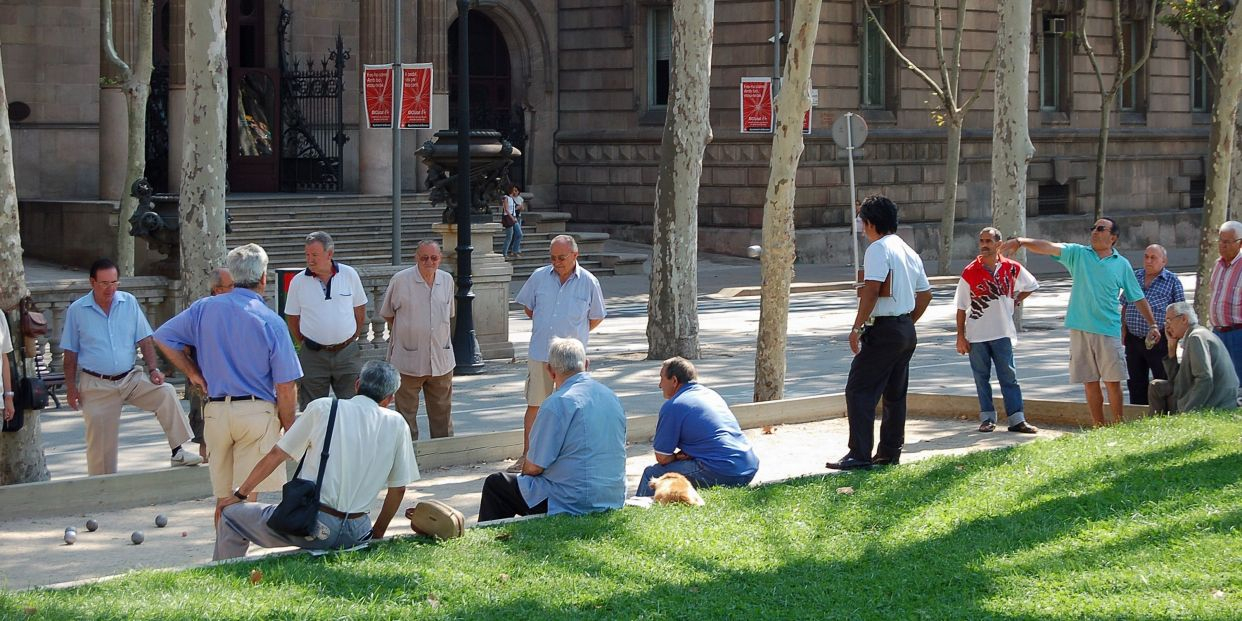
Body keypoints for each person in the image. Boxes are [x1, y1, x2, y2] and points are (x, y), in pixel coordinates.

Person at [154, 243, 302, 523]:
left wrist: (192, 372)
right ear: (263, 278)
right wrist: (289, 424)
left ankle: (222, 555)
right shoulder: (270, 321)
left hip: (217, 411)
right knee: (245, 497)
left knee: (224, 497)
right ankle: (235, 561)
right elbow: (285, 386)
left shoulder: (204, 308)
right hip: (256, 412)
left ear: (233, 276)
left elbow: (162, 336)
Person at [213, 360, 420, 560]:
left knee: (231, 515)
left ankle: (224, 573)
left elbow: (277, 454)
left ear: (357, 384)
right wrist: (376, 535)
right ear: (389, 398)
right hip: (358, 531)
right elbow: (398, 489)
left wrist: (241, 494)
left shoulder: (324, 408)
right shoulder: (397, 423)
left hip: (312, 525)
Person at [999, 218, 1161, 426]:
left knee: (1113, 382)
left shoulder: (1121, 264)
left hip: (1108, 330)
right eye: (1093, 228)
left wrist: (1153, 324)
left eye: (1100, 228)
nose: (1094, 231)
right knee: (1090, 382)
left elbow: (1137, 297)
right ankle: (1099, 426)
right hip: (1080, 329)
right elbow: (1049, 247)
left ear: (1113, 238)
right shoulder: (1078, 254)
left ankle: (1119, 426)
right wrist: (1021, 241)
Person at [61, 258, 200, 475]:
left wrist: (153, 369)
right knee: (100, 452)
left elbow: (145, 339)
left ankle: (178, 451)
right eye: (105, 283)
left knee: (165, 392)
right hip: (96, 384)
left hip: (130, 378)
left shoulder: (129, 302)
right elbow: (70, 354)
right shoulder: (77, 310)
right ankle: (101, 486)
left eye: (114, 282)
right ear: (92, 282)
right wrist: (71, 388)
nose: (111, 288)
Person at [827, 196, 932, 470]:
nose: (861, 226)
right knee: (895, 395)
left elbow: (872, 289)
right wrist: (906, 322)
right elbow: (926, 294)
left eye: (862, 220)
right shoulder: (908, 250)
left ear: (871, 222)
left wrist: (857, 327)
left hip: (884, 329)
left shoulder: (877, 249)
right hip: (904, 329)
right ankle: (889, 451)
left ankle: (859, 454)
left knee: (859, 390)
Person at [477, 337, 625, 521]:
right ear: (586, 364)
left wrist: (526, 472)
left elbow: (534, 466)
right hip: (612, 496)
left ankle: (490, 533)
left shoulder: (557, 403)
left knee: (497, 484)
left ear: (550, 370)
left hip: (572, 501)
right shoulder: (611, 397)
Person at [510, 235, 606, 472]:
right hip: (541, 353)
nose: (557, 262)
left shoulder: (589, 282)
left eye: (562, 258)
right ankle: (528, 456)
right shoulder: (539, 277)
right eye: (553, 258)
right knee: (536, 405)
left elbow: (596, 317)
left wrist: (574, 335)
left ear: (575, 255)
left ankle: (569, 456)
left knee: (573, 406)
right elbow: (529, 309)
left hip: (572, 360)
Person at [954, 227, 1040, 434]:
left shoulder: (1012, 268)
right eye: (981, 241)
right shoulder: (970, 271)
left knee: (1009, 377)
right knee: (981, 378)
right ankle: (987, 418)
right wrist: (960, 336)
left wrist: (1018, 299)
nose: (984, 245)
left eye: (989, 241)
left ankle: (1017, 419)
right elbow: (960, 306)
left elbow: (1032, 284)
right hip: (977, 335)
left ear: (998, 244)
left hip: (1003, 332)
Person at [636, 357, 758, 495]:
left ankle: (641, 510)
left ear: (674, 381)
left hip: (723, 470)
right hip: (748, 465)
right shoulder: (711, 395)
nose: (660, 385)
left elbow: (662, 457)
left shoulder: (673, 406)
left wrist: (677, 457)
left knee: (652, 474)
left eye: (662, 378)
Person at [380, 240, 455, 439]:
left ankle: (443, 455)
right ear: (416, 258)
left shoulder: (447, 280)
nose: (429, 262)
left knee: (443, 415)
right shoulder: (401, 280)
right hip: (408, 360)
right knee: (405, 416)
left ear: (440, 259)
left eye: (434, 258)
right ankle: (408, 457)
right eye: (424, 258)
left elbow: (448, 315)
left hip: (441, 360)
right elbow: (388, 314)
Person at [284, 231, 368, 409]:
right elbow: (292, 317)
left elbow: (359, 310)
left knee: (354, 407)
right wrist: (306, 340)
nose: (310, 260)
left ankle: (348, 438)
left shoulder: (349, 274)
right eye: (307, 255)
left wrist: (351, 336)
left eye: (314, 255)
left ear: (329, 254)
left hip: (347, 354)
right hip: (313, 355)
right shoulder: (298, 282)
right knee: (312, 409)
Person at [1148, 302, 1240, 415]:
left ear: (1184, 319)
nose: (1166, 326)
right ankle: (1157, 427)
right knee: (1156, 387)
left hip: (1216, 402)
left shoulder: (1196, 337)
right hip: (1209, 395)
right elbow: (1177, 381)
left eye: (1169, 321)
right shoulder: (1194, 335)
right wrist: (1172, 346)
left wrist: (1189, 412)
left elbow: (1204, 378)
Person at [1121, 245, 1184, 405]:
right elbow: (1125, 305)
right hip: (1133, 339)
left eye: (1153, 257)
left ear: (1164, 261)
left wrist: (1173, 338)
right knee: (1135, 381)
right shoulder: (1135, 276)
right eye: (1146, 256)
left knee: (1161, 379)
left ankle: (1164, 414)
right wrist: (1123, 329)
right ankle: (1138, 413)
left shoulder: (1172, 281)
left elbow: (1180, 312)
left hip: (1160, 339)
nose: (1148, 261)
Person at [186, 267, 235, 462]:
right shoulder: (199, 310)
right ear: (217, 289)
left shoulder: (237, 310)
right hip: (203, 382)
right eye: (231, 286)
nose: (235, 289)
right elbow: (176, 342)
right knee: (205, 434)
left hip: (231, 384)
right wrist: (191, 372)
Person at [1208, 220, 1242, 402]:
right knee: (1219, 378)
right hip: (1217, 332)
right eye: (1220, 240)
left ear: (1240, 243)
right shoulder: (1218, 265)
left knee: (1238, 380)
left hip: (1238, 332)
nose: (1222, 245)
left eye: (1228, 242)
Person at [501, 185, 524, 258]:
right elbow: (506, 210)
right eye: (514, 190)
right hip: (508, 218)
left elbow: (515, 208)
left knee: (519, 234)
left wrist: (514, 217)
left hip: (514, 218)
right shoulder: (506, 198)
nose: (515, 192)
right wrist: (512, 217)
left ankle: (515, 251)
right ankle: (504, 253)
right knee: (509, 236)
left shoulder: (512, 198)